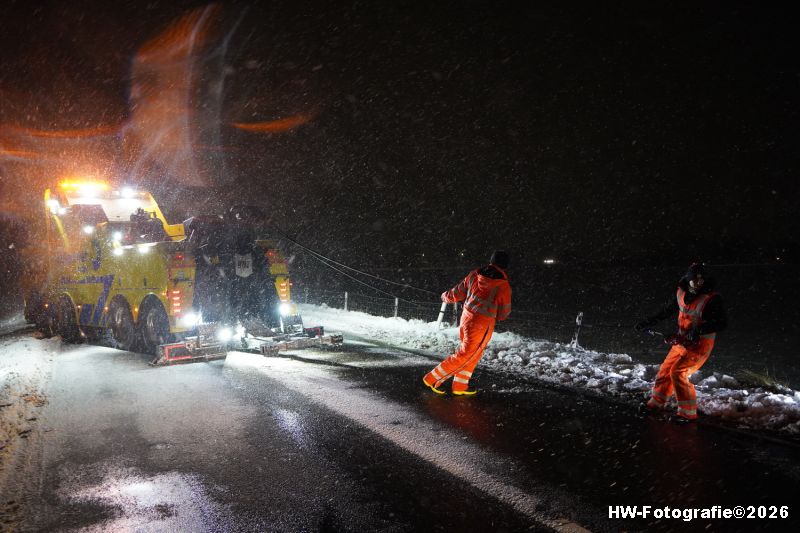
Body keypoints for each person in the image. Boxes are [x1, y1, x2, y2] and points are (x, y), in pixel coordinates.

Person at [635, 262, 727, 423]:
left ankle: (687, 413)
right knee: (665, 371)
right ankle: (656, 403)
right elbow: (667, 311)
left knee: (678, 372)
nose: (700, 282)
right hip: (681, 342)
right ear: (688, 279)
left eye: (702, 279)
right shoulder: (681, 293)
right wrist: (647, 322)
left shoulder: (712, 299)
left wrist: (698, 330)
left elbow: (722, 323)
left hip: (700, 345)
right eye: (696, 279)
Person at [423, 250, 512, 396]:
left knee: (471, 354)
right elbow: (503, 314)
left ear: (491, 261)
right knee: (466, 355)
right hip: (481, 325)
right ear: (505, 266)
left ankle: (460, 386)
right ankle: (432, 378)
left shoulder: (474, 275)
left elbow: (457, 293)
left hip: (466, 319)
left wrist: (444, 296)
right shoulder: (503, 286)